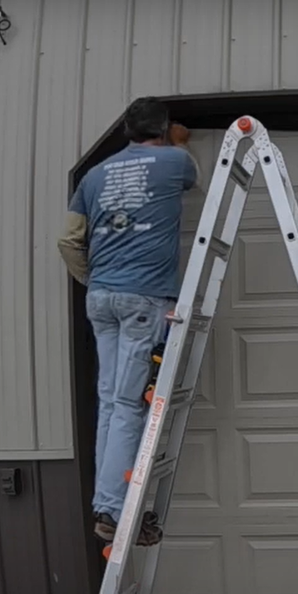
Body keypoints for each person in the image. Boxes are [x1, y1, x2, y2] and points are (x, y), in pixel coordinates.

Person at [59, 97, 199, 542]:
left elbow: (67, 240)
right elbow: (193, 178)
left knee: (110, 403)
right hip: (143, 300)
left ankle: (107, 503)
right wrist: (179, 141)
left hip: (101, 299)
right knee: (127, 406)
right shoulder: (175, 161)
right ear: (161, 129)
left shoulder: (92, 176)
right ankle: (116, 511)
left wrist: (95, 282)